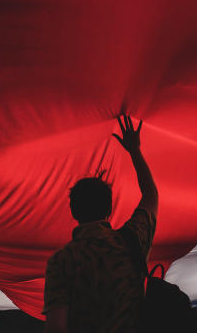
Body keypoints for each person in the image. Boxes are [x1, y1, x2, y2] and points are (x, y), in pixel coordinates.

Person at [43, 113, 159, 333]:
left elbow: (56, 327)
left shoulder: (62, 261)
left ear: (74, 212)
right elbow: (151, 196)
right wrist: (134, 150)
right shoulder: (132, 240)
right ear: (109, 209)